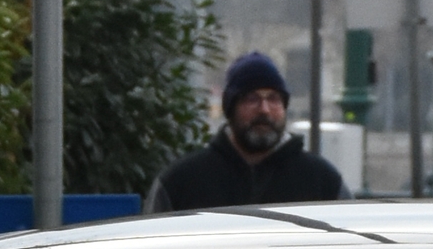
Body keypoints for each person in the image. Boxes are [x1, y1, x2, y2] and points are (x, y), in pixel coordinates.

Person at [145, 54, 351, 212]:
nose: (264, 109)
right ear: (230, 109)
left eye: (273, 99)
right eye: (252, 99)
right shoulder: (181, 183)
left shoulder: (324, 183)